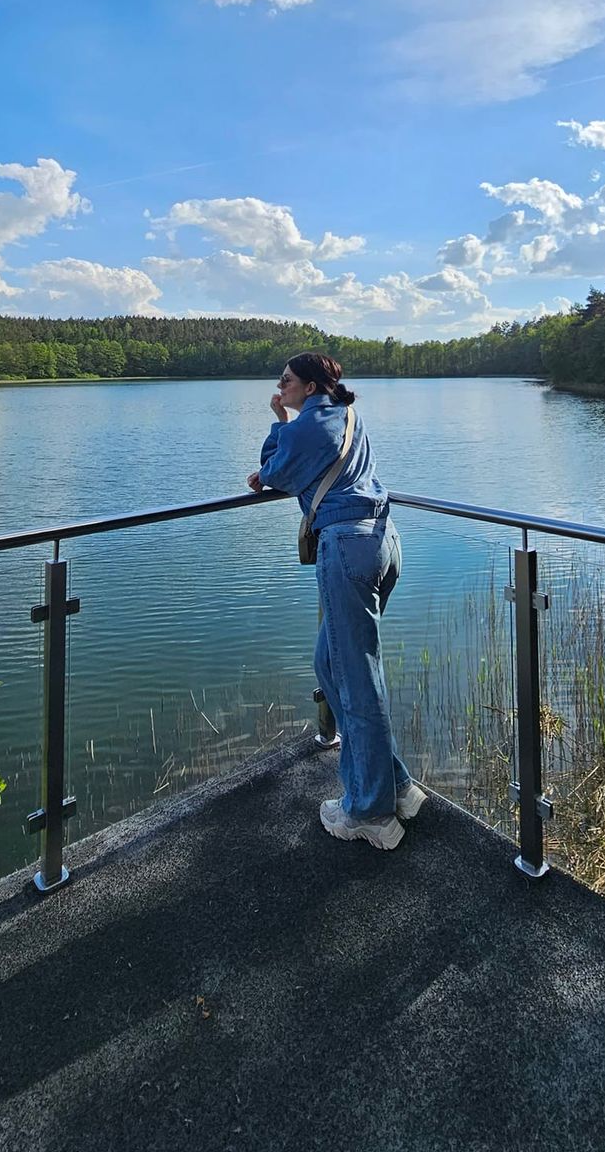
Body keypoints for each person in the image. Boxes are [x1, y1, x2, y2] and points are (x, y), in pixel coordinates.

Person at [247, 352, 427, 850]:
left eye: (284, 381)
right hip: (382, 540)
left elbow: (270, 473)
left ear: (307, 386)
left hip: (346, 548)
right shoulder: (346, 413)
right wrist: (288, 419)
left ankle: (369, 814)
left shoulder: (306, 427)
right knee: (335, 665)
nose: (279, 387)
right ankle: (397, 786)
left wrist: (277, 422)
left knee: (355, 680)